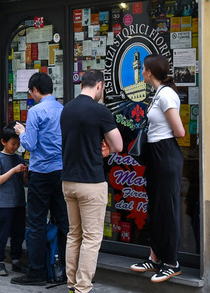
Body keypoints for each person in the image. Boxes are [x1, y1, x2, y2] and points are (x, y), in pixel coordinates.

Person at [60, 69, 123, 293]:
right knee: (92, 238)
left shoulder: (66, 109)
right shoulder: (100, 111)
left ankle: (71, 285)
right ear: (99, 86)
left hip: (68, 181)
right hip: (91, 182)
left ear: (81, 85)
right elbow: (118, 146)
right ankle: (83, 288)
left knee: (74, 234)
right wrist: (104, 149)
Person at [129, 54, 186, 283]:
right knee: (155, 206)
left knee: (167, 209)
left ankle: (171, 263)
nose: (142, 71)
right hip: (156, 154)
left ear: (149, 72)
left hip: (166, 153)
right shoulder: (159, 93)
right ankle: (154, 257)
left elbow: (180, 131)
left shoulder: (167, 95)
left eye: (143, 68)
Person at [11, 72, 68, 286]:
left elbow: (31, 145)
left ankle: (37, 272)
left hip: (41, 173)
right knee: (63, 222)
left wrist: (22, 131)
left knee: (36, 222)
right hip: (61, 172)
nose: (31, 95)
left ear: (35, 90)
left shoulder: (35, 112)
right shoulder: (63, 110)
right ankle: (63, 269)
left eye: (31, 92)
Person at [0, 124, 28, 277]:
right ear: (3, 142)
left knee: (18, 233)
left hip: (19, 201)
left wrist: (24, 173)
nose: (15, 146)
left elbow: (25, 183)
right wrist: (14, 170)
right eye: (13, 143)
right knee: (2, 233)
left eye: (17, 143)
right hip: (4, 203)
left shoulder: (19, 158)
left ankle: (15, 260)